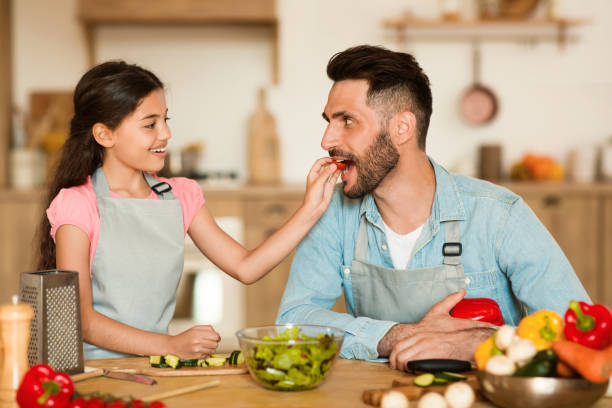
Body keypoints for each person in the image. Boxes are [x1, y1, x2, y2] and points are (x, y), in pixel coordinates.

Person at [276, 45, 590, 371]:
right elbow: (295, 319)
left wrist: (478, 341)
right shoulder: (334, 214)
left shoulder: (500, 216)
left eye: (347, 121)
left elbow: (578, 331)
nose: (327, 140)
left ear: (402, 128)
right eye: (329, 121)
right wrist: (396, 335)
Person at [37, 61, 341, 360]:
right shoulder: (78, 205)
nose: (166, 133)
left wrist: (310, 209)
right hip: (95, 373)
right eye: (150, 124)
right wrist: (170, 345)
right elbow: (83, 322)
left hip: (153, 368)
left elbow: (247, 268)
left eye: (166, 120)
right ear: (105, 135)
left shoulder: (181, 196)